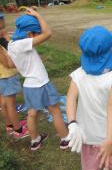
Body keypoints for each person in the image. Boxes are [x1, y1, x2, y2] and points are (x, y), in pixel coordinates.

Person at [66, 26, 112, 170]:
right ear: (111, 50)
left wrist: (72, 123)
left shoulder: (77, 74)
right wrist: (110, 140)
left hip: (88, 138)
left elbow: (70, 98)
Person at [4, 9, 69, 150]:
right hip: (41, 83)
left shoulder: (12, 45)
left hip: (29, 86)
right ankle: (65, 139)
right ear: (29, 34)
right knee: (56, 111)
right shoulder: (23, 44)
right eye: (35, 34)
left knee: (32, 113)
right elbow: (48, 34)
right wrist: (37, 15)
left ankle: (35, 140)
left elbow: (10, 63)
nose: (37, 37)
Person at [0, 12, 28, 138]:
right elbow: (7, 63)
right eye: (2, 19)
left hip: (2, 76)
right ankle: (18, 130)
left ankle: (10, 125)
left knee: (5, 104)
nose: (4, 21)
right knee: (11, 104)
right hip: (7, 76)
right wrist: (20, 62)